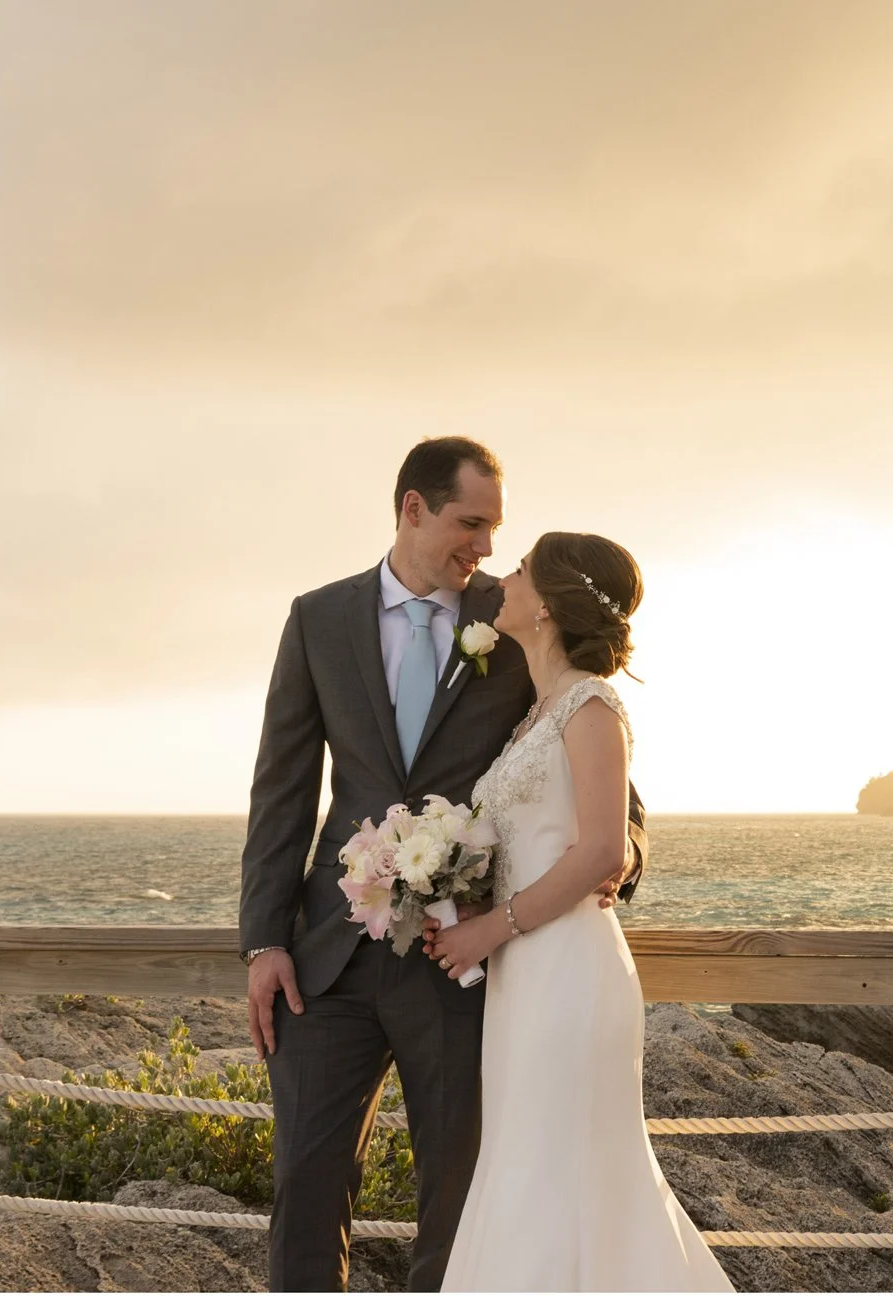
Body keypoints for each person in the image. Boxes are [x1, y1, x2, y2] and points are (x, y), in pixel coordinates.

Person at [238, 438, 646, 1291]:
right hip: (329, 963)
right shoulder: (318, 619)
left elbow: (597, 772)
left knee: (461, 1201)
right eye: (471, 523)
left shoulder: (517, 615)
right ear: (413, 508)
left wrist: (615, 863)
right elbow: (283, 789)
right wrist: (262, 942)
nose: (486, 548)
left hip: (460, 969)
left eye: (496, 528)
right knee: (306, 1186)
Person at [426, 532, 733, 1292]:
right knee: (525, 1164)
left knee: (563, 1172)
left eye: (524, 569)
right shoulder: (534, 716)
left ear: (552, 604)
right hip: (521, 977)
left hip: (568, 972)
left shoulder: (591, 706)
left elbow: (601, 851)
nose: (506, 577)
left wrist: (487, 931)